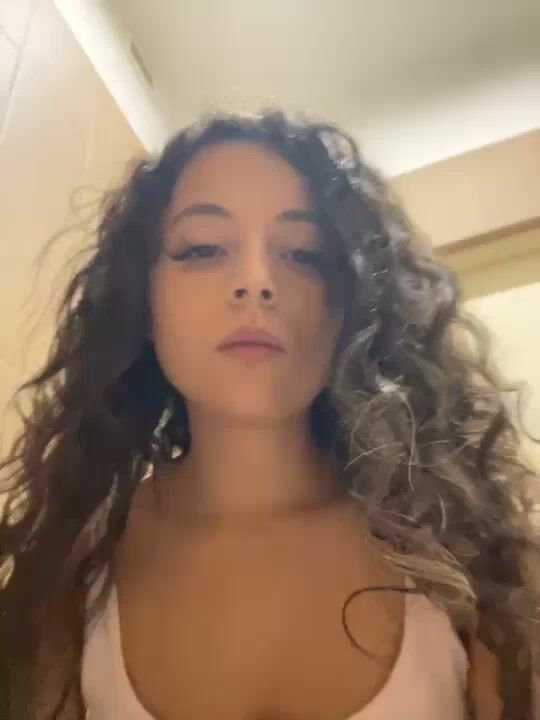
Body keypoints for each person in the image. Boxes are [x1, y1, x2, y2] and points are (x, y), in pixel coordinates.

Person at [0, 111, 538, 720]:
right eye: (203, 249)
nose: (256, 282)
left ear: (351, 306)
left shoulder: (469, 557)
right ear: (144, 304)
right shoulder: (72, 571)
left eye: (304, 254)